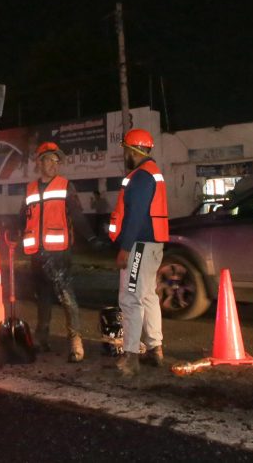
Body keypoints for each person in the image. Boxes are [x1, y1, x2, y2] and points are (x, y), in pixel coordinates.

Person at [18, 142, 100, 362]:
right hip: (37, 253)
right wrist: (12, 236)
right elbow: (23, 216)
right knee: (42, 298)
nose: (55, 164)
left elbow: (78, 215)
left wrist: (91, 238)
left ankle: (76, 343)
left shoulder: (65, 186)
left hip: (59, 253)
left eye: (57, 161)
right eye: (50, 160)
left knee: (66, 297)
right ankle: (41, 339)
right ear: (40, 162)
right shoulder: (30, 188)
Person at [108, 128, 168, 377]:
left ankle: (131, 357)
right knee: (147, 297)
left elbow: (134, 217)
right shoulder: (152, 174)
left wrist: (124, 248)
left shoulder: (141, 177)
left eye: (126, 150)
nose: (125, 154)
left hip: (140, 246)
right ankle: (155, 349)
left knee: (131, 299)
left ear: (134, 150)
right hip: (152, 245)